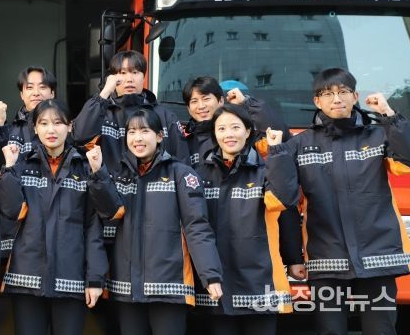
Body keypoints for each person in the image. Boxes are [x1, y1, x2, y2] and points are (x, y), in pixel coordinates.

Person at [283, 68, 410, 335]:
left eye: (343, 92)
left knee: (380, 329)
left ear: (355, 96)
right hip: (325, 259)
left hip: (377, 255)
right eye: (328, 94)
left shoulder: (379, 136)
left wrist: (389, 116)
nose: (336, 99)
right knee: (330, 330)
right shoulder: (299, 145)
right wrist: (293, 257)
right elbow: (287, 204)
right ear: (317, 101)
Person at [90, 108, 223, 335]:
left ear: (160, 136)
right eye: (132, 132)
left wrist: (210, 275)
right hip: (126, 287)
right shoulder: (117, 175)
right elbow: (108, 214)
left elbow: (197, 227)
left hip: (169, 286)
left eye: (145, 131)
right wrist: (98, 173)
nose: (138, 138)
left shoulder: (181, 174)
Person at [0, 99, 108, 335]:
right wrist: (8, 169)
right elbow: (10, 211)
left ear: (70, 127)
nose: (51, 129)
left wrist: (95, 279)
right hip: (26, 277)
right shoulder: (21, 165)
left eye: (58, 123)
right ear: (35, 128)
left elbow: (93, 227)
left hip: (71, 277)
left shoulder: (85, 167)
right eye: (44, 123)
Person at [181, 76, 305, 278]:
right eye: (194, 101)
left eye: (206, 98)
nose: (201, 106)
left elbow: (279, 138)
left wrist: (293, 257)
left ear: (221, 101)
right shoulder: (183, 144)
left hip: (250, 252)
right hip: (203, 249)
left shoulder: (247, 142)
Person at [193, 104, 299, 335]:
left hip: (260, 279)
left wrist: (277, 151)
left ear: (248, 131)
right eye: (221, 129)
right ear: (214, 134)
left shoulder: (265, 170)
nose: (228, 134)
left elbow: (283, 199)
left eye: (235, 127)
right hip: (218, 283)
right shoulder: (199, 175)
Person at [0, 65, 57, 171]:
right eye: (29, 87)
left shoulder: (63, 128)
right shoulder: (8, 131)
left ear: (52, 93)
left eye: (42, 87)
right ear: (22, 95)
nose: (36, 93)